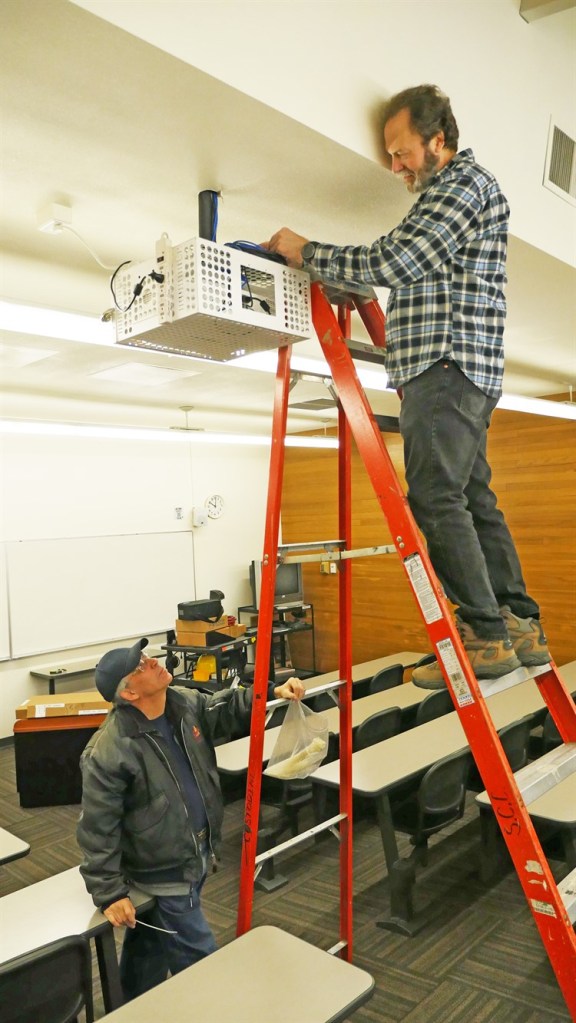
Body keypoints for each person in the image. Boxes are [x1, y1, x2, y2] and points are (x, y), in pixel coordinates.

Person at [264, 83, 550, 690]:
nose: (395, 167)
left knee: (436, 497)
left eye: (402, 152)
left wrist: (308, 251)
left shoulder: (460, 186)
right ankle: (517, 624)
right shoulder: (462, 190)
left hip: (444, 365)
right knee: (472, 499)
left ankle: (485, 635)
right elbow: (411, 264)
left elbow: (396, 261)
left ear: (438, 140)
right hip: (460, 369)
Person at [77, 637, 305, 1000]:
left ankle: (130, 1007)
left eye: (147, 657)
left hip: (197, 850)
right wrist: (109, 893)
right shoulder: (108, 751)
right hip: (164, 871)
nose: (153, 662)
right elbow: (97, 829)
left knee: (148, 946)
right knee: (204, 966)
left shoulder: (180, 703)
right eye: (141, 666)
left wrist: (270, 693)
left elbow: (222, 706)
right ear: (130, 693)